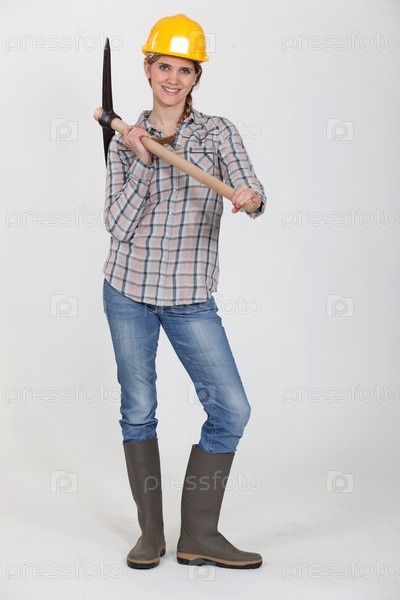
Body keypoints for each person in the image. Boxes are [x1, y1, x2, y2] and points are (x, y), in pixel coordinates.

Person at [102, 13, 266, 570]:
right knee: (138, 410)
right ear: (148, 69)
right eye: (164, 67)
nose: (173, 78)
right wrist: (143, 162)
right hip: (128, 291)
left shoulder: (217, 133)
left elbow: (249, 185)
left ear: (197, 76)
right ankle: (150, 535)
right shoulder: (124, 141)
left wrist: (249, 197)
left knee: (232, 409)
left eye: (185, 69)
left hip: (190, 295)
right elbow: (117, 225)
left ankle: (199, 536)